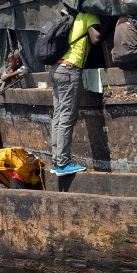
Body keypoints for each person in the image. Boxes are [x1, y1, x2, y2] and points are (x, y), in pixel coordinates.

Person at [49, 10, 101, 176]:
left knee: (58, 116)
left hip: (56, 69)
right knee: (66, 117)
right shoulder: (88, 16)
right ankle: (63, 163)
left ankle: (56, 160)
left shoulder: (68, 18)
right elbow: (96, 38)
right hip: (69, 71)